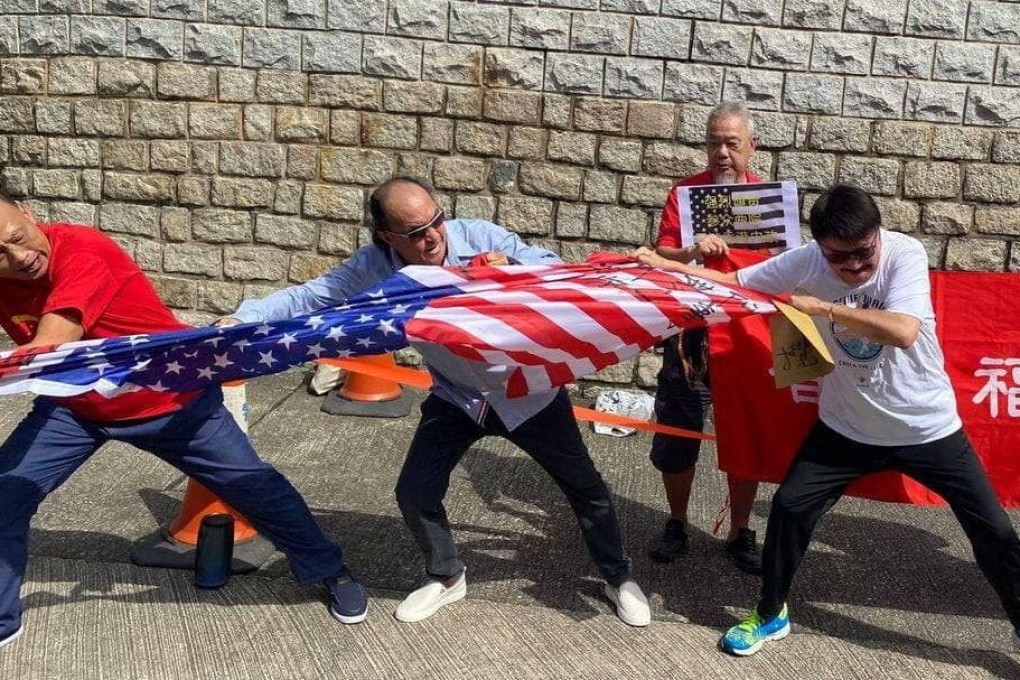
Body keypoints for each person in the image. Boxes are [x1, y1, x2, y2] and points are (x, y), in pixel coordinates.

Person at [219, 177, 652, 627]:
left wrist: (511, 270)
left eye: (437, 221)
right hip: (458, 396)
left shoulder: (480, 236)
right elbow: (311, 295)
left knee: (585, 487)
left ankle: (618, 577)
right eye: (415, 233)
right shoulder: (376, 265)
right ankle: (446, 575)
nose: (433, 237)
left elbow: (555, 269)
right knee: (415, 490)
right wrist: (244, 317)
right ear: (388, 237)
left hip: (527, 392)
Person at [637, 184, 1020, 655]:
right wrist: (669, 267)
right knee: (790, 509)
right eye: (841, 259)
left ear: (878, 234)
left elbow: (902, 331)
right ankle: (771, 612)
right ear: (820, 247)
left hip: (926, 428)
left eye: (864, 253)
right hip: (846, 429)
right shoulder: (807, 261)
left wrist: (824, 308)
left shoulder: (905, 254)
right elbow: (733, 284)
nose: (855, 267)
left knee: (995, 534)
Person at [0, 187, 367, 652]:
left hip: (173, 400)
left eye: (19, 236)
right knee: (3, 498)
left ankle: (329, 570)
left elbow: (52, 346)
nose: (20, 256)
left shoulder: (83, 249)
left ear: (29, 213)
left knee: (256, 487)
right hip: (77, 408)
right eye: (1, 254)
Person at [646, 101, 764, 574]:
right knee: (679, 431)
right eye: (714, 141)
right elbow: (662, 251)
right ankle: (676, 521)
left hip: (745, 336)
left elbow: (787, 258)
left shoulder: (768, 198)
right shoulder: (684, 192)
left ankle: (740, 529)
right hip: (690, 334)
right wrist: (692, 250)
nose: (721, 152)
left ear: (751, 146)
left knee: (746, 434)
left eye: (731, 143)